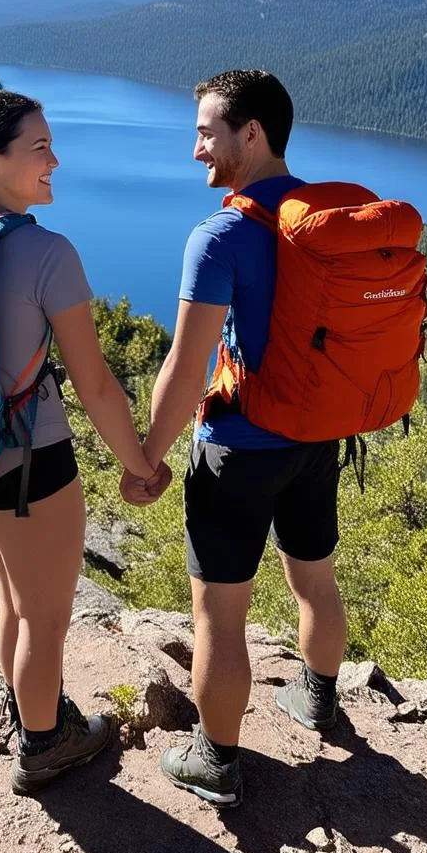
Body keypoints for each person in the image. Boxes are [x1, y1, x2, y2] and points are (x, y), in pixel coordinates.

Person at [0, 90, 171, 795]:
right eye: (39, 149)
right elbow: (95, 387)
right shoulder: (44, 253)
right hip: (36, 463)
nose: (54, 160)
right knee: (46, 616)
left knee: (15, 600)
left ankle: (28, 709)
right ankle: (43, 744)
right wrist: (141, 466)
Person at [120, 70, 348, 808]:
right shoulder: (326, 216)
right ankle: (317, 700)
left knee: (220, 611)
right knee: (315, 578)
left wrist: (145, 459)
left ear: (251, 134)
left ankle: (215, 761)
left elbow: (187, 369)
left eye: (205, 132)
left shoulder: (223, 233)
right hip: (316, 438)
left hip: (239, 449)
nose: (195, 150)